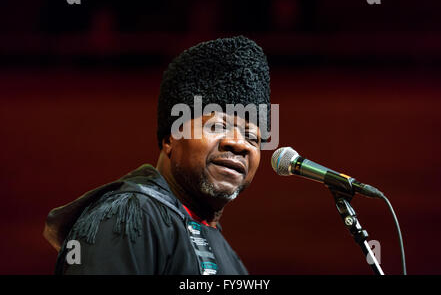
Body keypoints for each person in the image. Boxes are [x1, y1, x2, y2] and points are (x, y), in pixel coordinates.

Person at [43, 35, 271, 275]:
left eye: (252, 138)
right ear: (170, 138)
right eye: (217, 126)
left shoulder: (229, 257)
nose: (239, 144)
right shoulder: (130, 216)